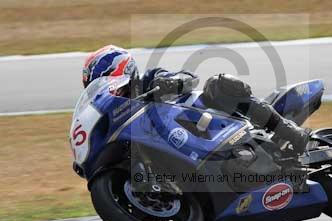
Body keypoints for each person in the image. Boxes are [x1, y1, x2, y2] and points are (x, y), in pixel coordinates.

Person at [82, 45, 311, 155]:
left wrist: (171, 83)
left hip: (208, 121)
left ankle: (289, 131)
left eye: (103, 78)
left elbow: (190, 78)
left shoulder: (149, 79)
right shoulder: (119, 115)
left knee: (220, 84)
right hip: (184, 148)